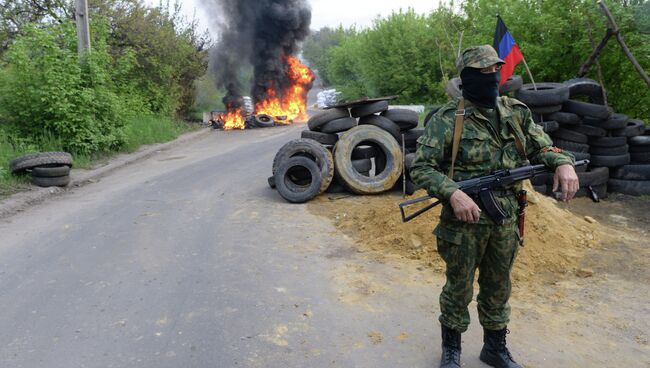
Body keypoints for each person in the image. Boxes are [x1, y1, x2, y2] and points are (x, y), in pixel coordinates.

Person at [410, 45, 579, 368]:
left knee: (498, 286)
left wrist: (563, 163)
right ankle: (451, 351)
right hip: (463, 223)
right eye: (483, 73)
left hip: (506, 219)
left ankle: (495, 348)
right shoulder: (448, 119)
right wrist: (452, 193)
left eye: (495, 72)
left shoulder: (515, 113)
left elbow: (542, 147)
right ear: (467, 78)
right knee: (458, 289)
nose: (491, 78)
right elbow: (422, 167)